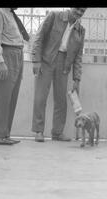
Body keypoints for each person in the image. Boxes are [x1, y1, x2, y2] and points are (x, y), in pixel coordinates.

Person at [31, 8, 87, 142]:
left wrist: (76, 79)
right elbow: (39, 37)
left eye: (83, 11)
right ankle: (39, 131)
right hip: (46, 60)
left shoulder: (80, 30)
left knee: (61, 99)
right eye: (77, 9)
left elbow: (78, 56)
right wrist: (36, 60)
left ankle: (57, 132)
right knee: (40, 97)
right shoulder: (55, 16)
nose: (79, 12)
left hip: (64, 64)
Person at [0, 8, 29, 145]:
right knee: (1, 97)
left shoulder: (9, 13)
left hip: (16, 54)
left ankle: (4, 134)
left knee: (11, 98)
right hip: (6, 54)